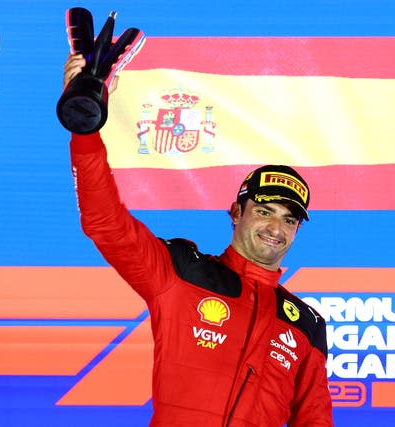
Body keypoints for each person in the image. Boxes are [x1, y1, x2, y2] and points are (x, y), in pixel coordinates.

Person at [64, 53, 333, 427]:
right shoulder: (181, 273)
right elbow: (105, 222)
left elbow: (315, 419)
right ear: (236, 213)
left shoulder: (306, 324)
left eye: (290, 220)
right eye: (264, 211)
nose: (276, 228)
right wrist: (85, 129)